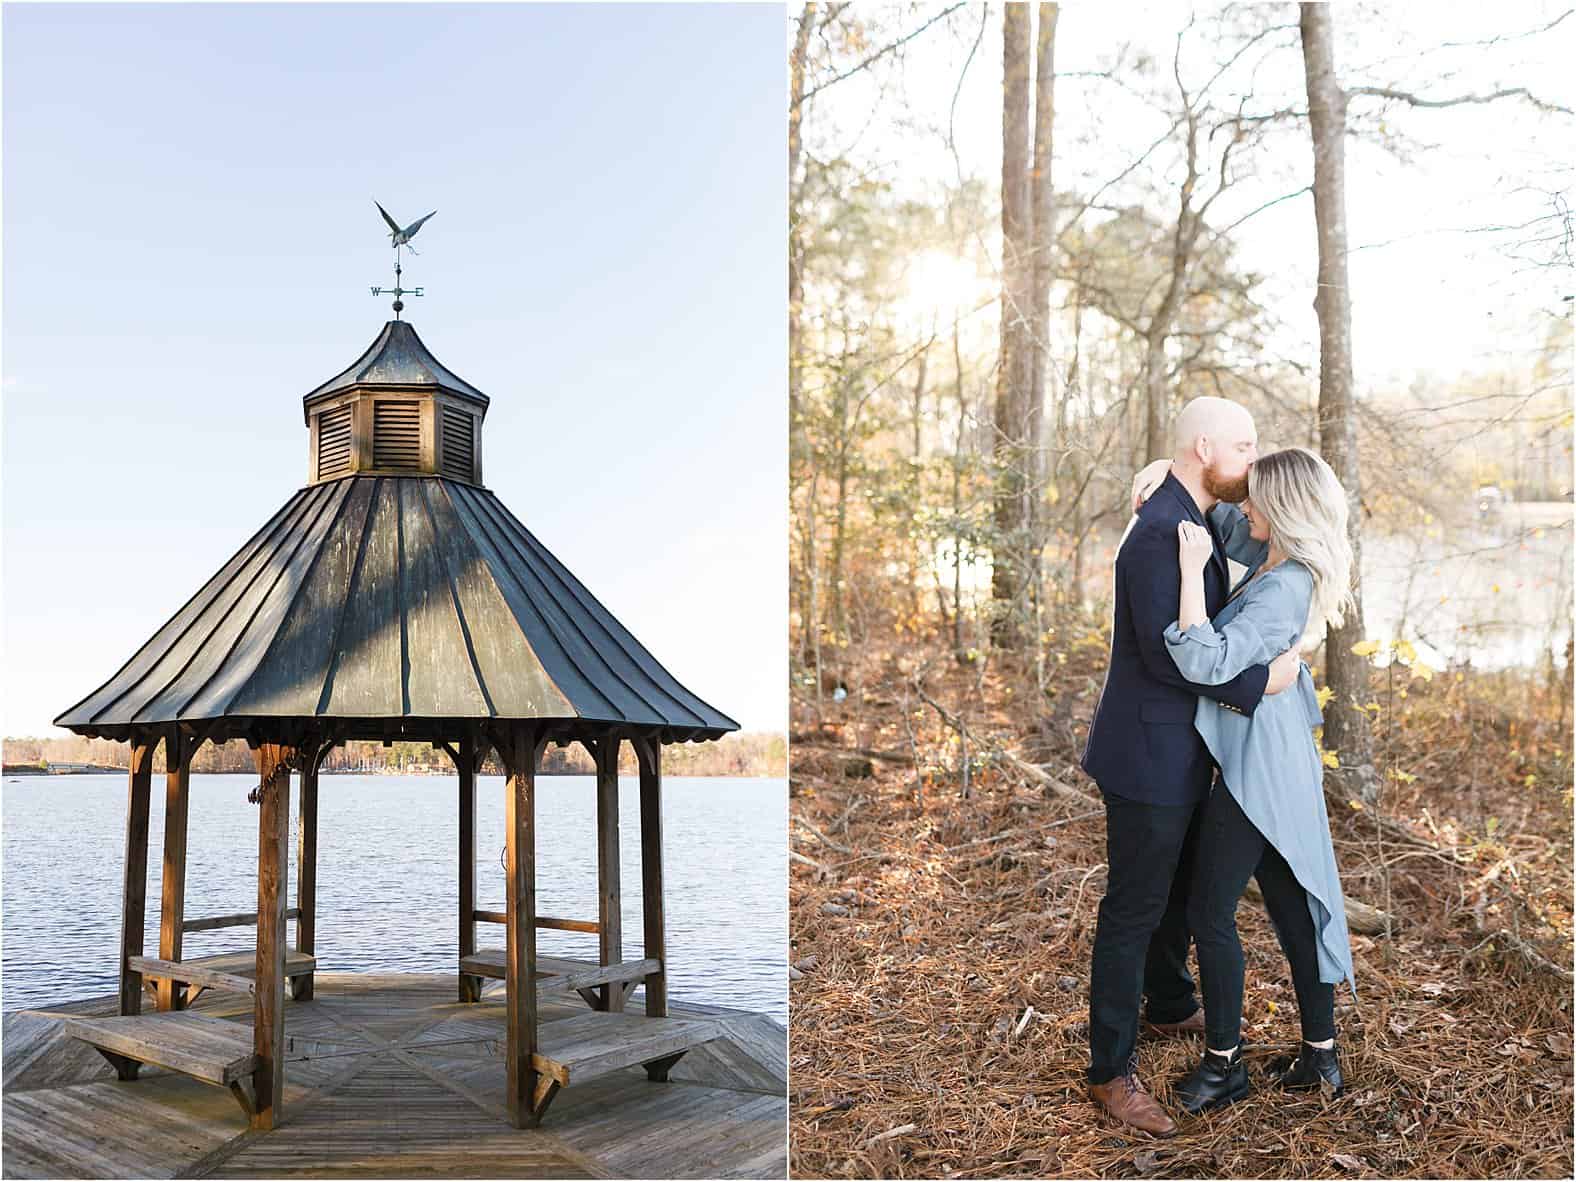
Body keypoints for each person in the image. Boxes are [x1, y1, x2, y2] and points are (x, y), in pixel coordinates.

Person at [1080, 396, 1302, 1138]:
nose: (1254, 456)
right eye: (1245, 444)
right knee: (1133, 910)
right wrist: (1261, 683)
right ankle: (1110, 1071)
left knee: (1175, 890)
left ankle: (1170, 1004)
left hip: (1182, 748)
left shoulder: (1196, 510)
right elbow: (1164, 654)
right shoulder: (1156, 534)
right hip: (1147, 752)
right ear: (1205, 446)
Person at [1137, 445, 1358, 1114]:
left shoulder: (1285, 584)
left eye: (1257, 498)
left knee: (1210, 910)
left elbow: (1204, 657)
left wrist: (1185, 570)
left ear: (1284, 510)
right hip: (1274, 755)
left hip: (1258, 768)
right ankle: (1322, 1058)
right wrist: (1165, 478)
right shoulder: (1277, 557)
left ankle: (1224, 1066)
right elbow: (1225, 523)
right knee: (1292, 908)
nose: (1245, 508)